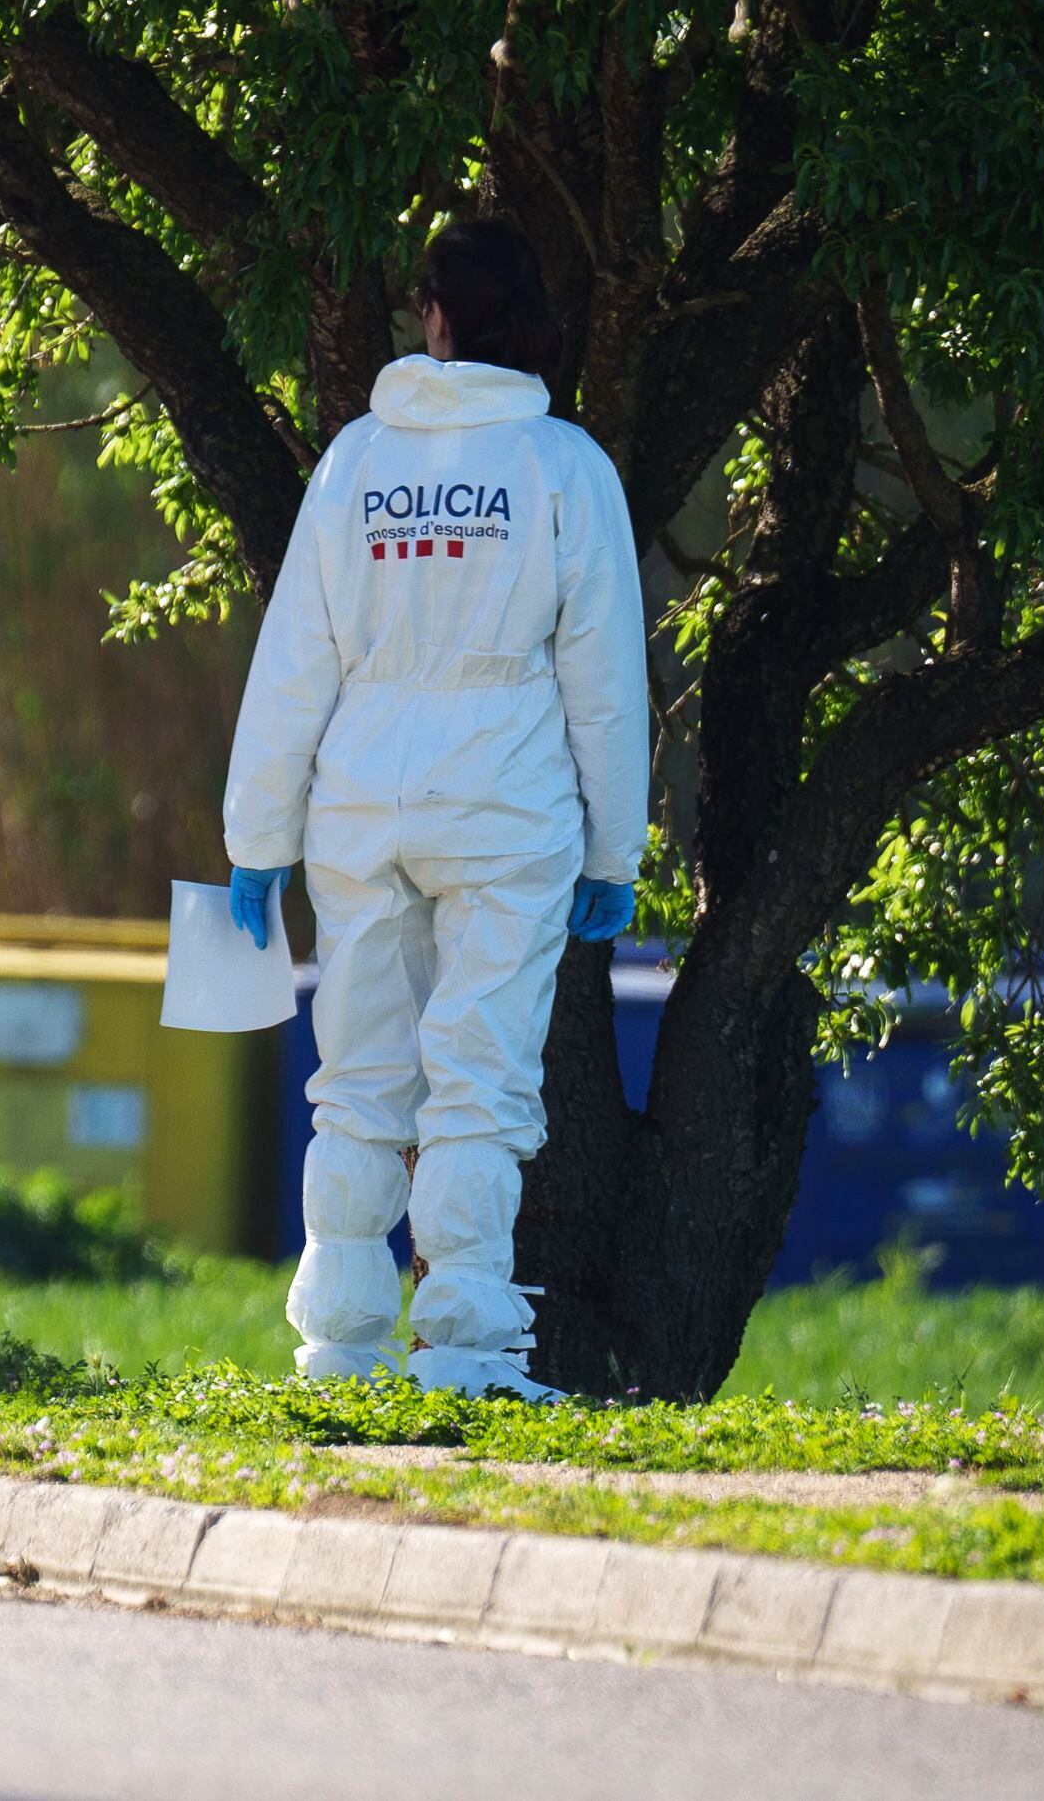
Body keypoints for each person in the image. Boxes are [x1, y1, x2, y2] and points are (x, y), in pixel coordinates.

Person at [219, 219, 645, 1401]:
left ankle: (339, 1350)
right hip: (506, 801)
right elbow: (604, 682)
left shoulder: (355, 459)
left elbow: (295, 656)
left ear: (436, 317)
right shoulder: (565, 466)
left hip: (362, 799)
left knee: (356, 1071)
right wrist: (615, 847)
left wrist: (257, 837)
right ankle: (463, 1350)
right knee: (479, 1073)